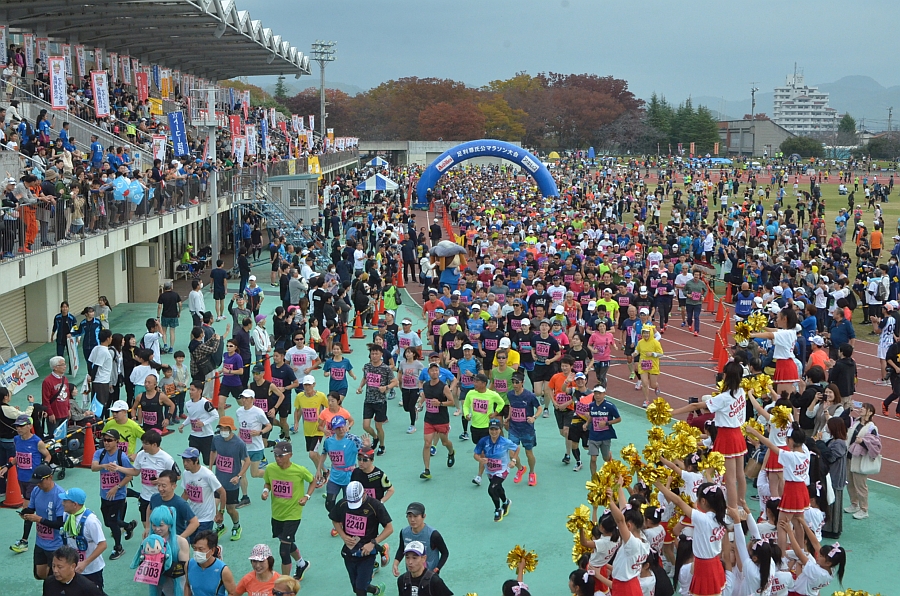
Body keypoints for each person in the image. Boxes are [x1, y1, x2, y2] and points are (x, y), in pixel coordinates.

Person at [329, 480, 393, 596]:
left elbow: (389, 528)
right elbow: (335, 519)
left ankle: (380, 549)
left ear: (364, 494)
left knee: (360, 589)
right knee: (357, 587)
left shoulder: (375, 505)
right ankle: (376, 590)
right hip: (349, 551)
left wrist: (373, 542)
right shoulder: (343, 503)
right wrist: (343, 535)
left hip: (367, 553)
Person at [262, 441, 314, 580]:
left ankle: (284, 583)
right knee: (287, 542)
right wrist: (266, 490)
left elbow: (313, 480)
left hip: (293, 514)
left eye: (281, 455)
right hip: (277, 514)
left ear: (290, 455)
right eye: (276, 455)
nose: (278, 458)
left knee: (284, 551)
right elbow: (267, 482)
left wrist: (306, 496)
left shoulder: (299, 470)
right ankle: (301, 564)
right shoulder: (270, 468)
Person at [90, 428, 136, 560]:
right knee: (108, 522)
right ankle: (128, 526)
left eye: (109, 440)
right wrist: (104, 466)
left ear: (117, 441)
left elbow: (130, 475)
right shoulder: (100, 453)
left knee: (114, 522)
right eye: (104, 440)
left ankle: (118, 548)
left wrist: (117, 487)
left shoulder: (122, 457)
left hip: (118, 495)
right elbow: (93, 467)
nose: (106, 443)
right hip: (104, 495)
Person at [15, 464, 65, 579]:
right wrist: (25, 513)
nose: (38, 484)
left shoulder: (60, 495)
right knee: (40, 574)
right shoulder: (36, 491)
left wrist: (39, 519)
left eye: (40, 481)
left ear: (50, 478)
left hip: (56, 545)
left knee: (54, 579)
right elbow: (31, 509)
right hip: (40, 542)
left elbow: (60, 524)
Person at [209, 415, 250, 538]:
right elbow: (212, 451)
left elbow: (247, 461)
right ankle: (220, 526)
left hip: (232, 483)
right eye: (221, 428)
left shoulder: (239, 444)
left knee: (230, 510)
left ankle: (236, 526)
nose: (223, 431)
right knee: (212, 506)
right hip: (218, 481)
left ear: (231, 429)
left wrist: (239, 476)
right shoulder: (216, 440)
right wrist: (210, 468)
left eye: (226, 428)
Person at [463, 373, 506, 486]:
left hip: (487, 428)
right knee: (482, 451)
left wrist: (496, 413)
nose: (474, 383)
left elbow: (501, 402)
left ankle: (479, 476)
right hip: (475, 427)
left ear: (483, 384)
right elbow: (466, 405)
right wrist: (467, 414)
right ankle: (493, 465)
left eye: (477, 382)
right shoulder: (471, 393)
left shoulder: (492, 394)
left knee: (482, 452)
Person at [60, 488, 107, 591]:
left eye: (65, 501)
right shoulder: (67, 515)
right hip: (74, 568)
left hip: (91, 570)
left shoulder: (91, 521)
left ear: (75, 504)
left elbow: (103, 544)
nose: (62, 503)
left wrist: (85, 563)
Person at [473, 419, 519, 522]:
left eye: (496, 429)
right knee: (498, 488)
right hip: (490, 470)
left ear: (500, 430)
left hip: (502, 470)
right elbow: (475, 454)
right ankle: (506, 501)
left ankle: (498, 510)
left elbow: (517, 448)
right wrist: (480, 459)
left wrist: (514, 460)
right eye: (491, 429)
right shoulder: (483, 441)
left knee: (491, 489)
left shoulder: (505, 442)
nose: (494, 432)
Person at [416, 363, 456, 480]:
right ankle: (427, 470)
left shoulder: (444, 387)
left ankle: (451, 452)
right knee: (427, 443)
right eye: (432, 370)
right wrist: (420, 404)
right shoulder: (426, 385)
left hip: (442, 419)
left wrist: (440, 403)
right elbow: (425, 396)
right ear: (428, 372)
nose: (434, 372)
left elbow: (452, 402)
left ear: (439, 372)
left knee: (444, 442)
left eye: (436, 370)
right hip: (429, 419)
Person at [356, 344, 396, 455]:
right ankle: (375, 437)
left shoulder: (386, 368)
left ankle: (382, 445)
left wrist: (386, 387)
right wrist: (360, 387)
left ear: (381, 355)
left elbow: (395, 382)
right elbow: (365, 378)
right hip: (368, 400)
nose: (374, 356)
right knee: (366, 426)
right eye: (372, 354)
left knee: (379, 426)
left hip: (380, 402)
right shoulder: (367, 366)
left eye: (376, 354)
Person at [391, 502, 450, 578]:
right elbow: (401, 549)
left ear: (423, 516)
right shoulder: (404, 532)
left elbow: (445, 553)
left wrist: (437, 568)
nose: (412, 520)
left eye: (415, 516)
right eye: (409, 516)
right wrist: (395, 564)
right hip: (412, 574)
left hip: (429, 576)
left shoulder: (433, 535)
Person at [180, 447, 226, 541]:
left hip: (206, 518)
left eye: (188, 461)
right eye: (184, 461)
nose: (185, 464)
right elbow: (186, 493)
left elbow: (222, 492)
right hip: (192, 517)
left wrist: (221, 512)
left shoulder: (207, 475)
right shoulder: (186, 473)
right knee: (192, 543)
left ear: (196, 460)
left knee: (202, 544)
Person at [506, 372, 543, 487]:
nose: (515, 384)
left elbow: (539, 408)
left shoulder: (529, 396)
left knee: (529, 453)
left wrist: (534, 417)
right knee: (511, 452)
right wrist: (508, 417)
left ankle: (532, 473)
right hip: (514, 428)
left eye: (517, 382)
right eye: (513, 382)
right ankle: (521, 468)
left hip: (527, 430)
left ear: (523, 382)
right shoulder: (510, 394)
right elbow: (511, 406)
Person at [235, 388, 273, 499]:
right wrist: (237, 441)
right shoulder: (239, 412)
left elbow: (269, 426)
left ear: (253, 399)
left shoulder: (258, 412)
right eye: (243, 398)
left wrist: (259, 432)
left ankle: (273, 476)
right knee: (241, 473)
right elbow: (241, 429)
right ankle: (245, 497)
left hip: (256, 448)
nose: (244, 400)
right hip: (244, 447)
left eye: (246, 398)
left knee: (255, 473)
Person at [845, 402, 880, 520]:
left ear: (870, 412)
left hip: (860, 459)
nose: (861, 409)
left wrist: (863, 442)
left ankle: (864, 509)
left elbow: (875, 445)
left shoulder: (871, 428)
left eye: (864, 408)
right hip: (849, 456)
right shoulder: (855, 422)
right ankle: (854, 504)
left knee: (860, 485)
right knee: (850, 482)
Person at [581, 386, 622, 476]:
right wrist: (587, 424)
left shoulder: (610, 406)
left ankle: (609, 457)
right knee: (593, 459)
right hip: (593, 436)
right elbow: (591, 416)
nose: (597, 395)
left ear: (604, 394)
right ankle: (594, 477)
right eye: (596, 393)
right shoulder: (591, 405)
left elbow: (619, 419)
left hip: (605, 436)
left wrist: (607, 423)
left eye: (599, 393)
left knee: (605, 458)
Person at [149, 469, 200, 540]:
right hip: (160, 541)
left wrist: (179, 538)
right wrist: (147, 527)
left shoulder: (181, 503)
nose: (160, 489)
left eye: (163, 486)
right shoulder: (154, 498)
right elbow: (150, 508)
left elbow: (195, 523)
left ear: (174, 486)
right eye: (158, 485)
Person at [184, 530, 237, 596]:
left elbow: (233, 593)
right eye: (195, 548)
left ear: (212, 550)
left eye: (201, 549)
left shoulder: (223, 570)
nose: (197, 552)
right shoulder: (189, 565)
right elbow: (187, 585)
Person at [178, 380, 219, 465]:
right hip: (194, 436)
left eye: (193, 390)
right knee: (193, 460)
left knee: (207, 461)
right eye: (190, 389)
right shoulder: (188, 404)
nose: (190, 392)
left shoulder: (206, 403)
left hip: (206, 436)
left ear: (200, 391)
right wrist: (183, 424)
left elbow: (215, 415)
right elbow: (191, 416)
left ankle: (221, 459)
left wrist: (203, 423)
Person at [157, 281, 182, 354]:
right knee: (172, 332)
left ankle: (165, 344)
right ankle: (171, 347)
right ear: (171, 287)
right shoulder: (175, 295)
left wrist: (158, 316)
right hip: (174, 315)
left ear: (164, 288)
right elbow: (180, 304)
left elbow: (159, 306)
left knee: (164, 331)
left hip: (165, 315)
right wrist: (179, 312)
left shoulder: (162, 295)